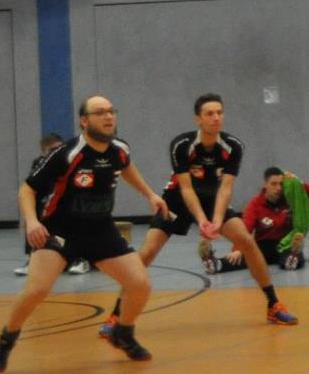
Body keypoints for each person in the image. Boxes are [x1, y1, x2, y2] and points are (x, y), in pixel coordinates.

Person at [0, 96, 173, 372]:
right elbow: (28, 189)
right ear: (84, 121)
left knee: (140, 285)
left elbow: (126, 167)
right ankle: (6, 341)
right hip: (60, 231)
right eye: (100, 113)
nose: (108, 117)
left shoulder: (119, 149)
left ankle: (123, 333)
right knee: (37, 290)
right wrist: (32, 222)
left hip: (100, 229)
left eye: (111, 111)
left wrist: (150, 194)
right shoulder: (67, 153)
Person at [105, 94, 296, 332]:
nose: (216, 118)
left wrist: (216, 221)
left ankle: (273, 304)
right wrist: (202, 221)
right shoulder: (182, 145)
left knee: (246, 241)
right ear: (198, 119)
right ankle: (116, 314)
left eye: (219, 112)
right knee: (148, 250)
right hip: (177, 200)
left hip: (213, 199)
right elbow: (186, 188)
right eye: (209, 113)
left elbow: (226, 188)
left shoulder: (233, 146)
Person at [227, 168, 309, 270]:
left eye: (281, 184)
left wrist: (299, 183)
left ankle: (291, 260)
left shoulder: (292, 199)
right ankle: (217, 264)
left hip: (286, 244)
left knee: (293, 255)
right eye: (274, 184)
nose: (279, 188)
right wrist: (237, 249)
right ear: (265, 185)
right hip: (263, 247)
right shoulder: (255, 205)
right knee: (239, 257)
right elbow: (245, 229)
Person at [13, 131, 65, 278]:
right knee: (33, 221)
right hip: (44, 204)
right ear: (43, 153)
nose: (55, 153)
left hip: (63, 204)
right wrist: (28, 217)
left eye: (58, 149)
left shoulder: (69, 162)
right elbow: (31, 189)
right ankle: (32, 259)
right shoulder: (39, 164)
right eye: (51, 151)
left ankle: (79, 259)